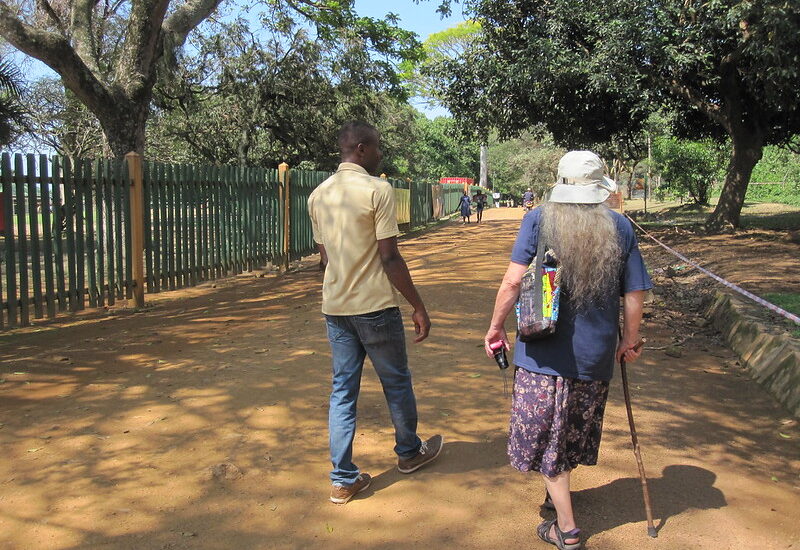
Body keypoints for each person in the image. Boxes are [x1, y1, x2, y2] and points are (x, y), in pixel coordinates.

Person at [483, 151, 652, 549]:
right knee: (569, 433)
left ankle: (567, 529)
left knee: (546, 436)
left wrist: (495, 328)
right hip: (594, 355)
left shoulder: (538, 218)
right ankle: (555, 494)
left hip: (540, 352)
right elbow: (634, 292)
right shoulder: (621, 227)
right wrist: (629, 339)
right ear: (599, 188)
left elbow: (512, 283)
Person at [308, 121, 444, 505]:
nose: (381, 153)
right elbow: (389, 257)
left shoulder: (318, 196)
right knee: (396, 382)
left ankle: (343, 479)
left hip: (336, 309)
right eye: (378, 146)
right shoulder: (377, 190)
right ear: (362, 149)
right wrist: (418, 306)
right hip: (375, 308)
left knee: (342, 392)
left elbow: (325, 260)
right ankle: (408, 453)